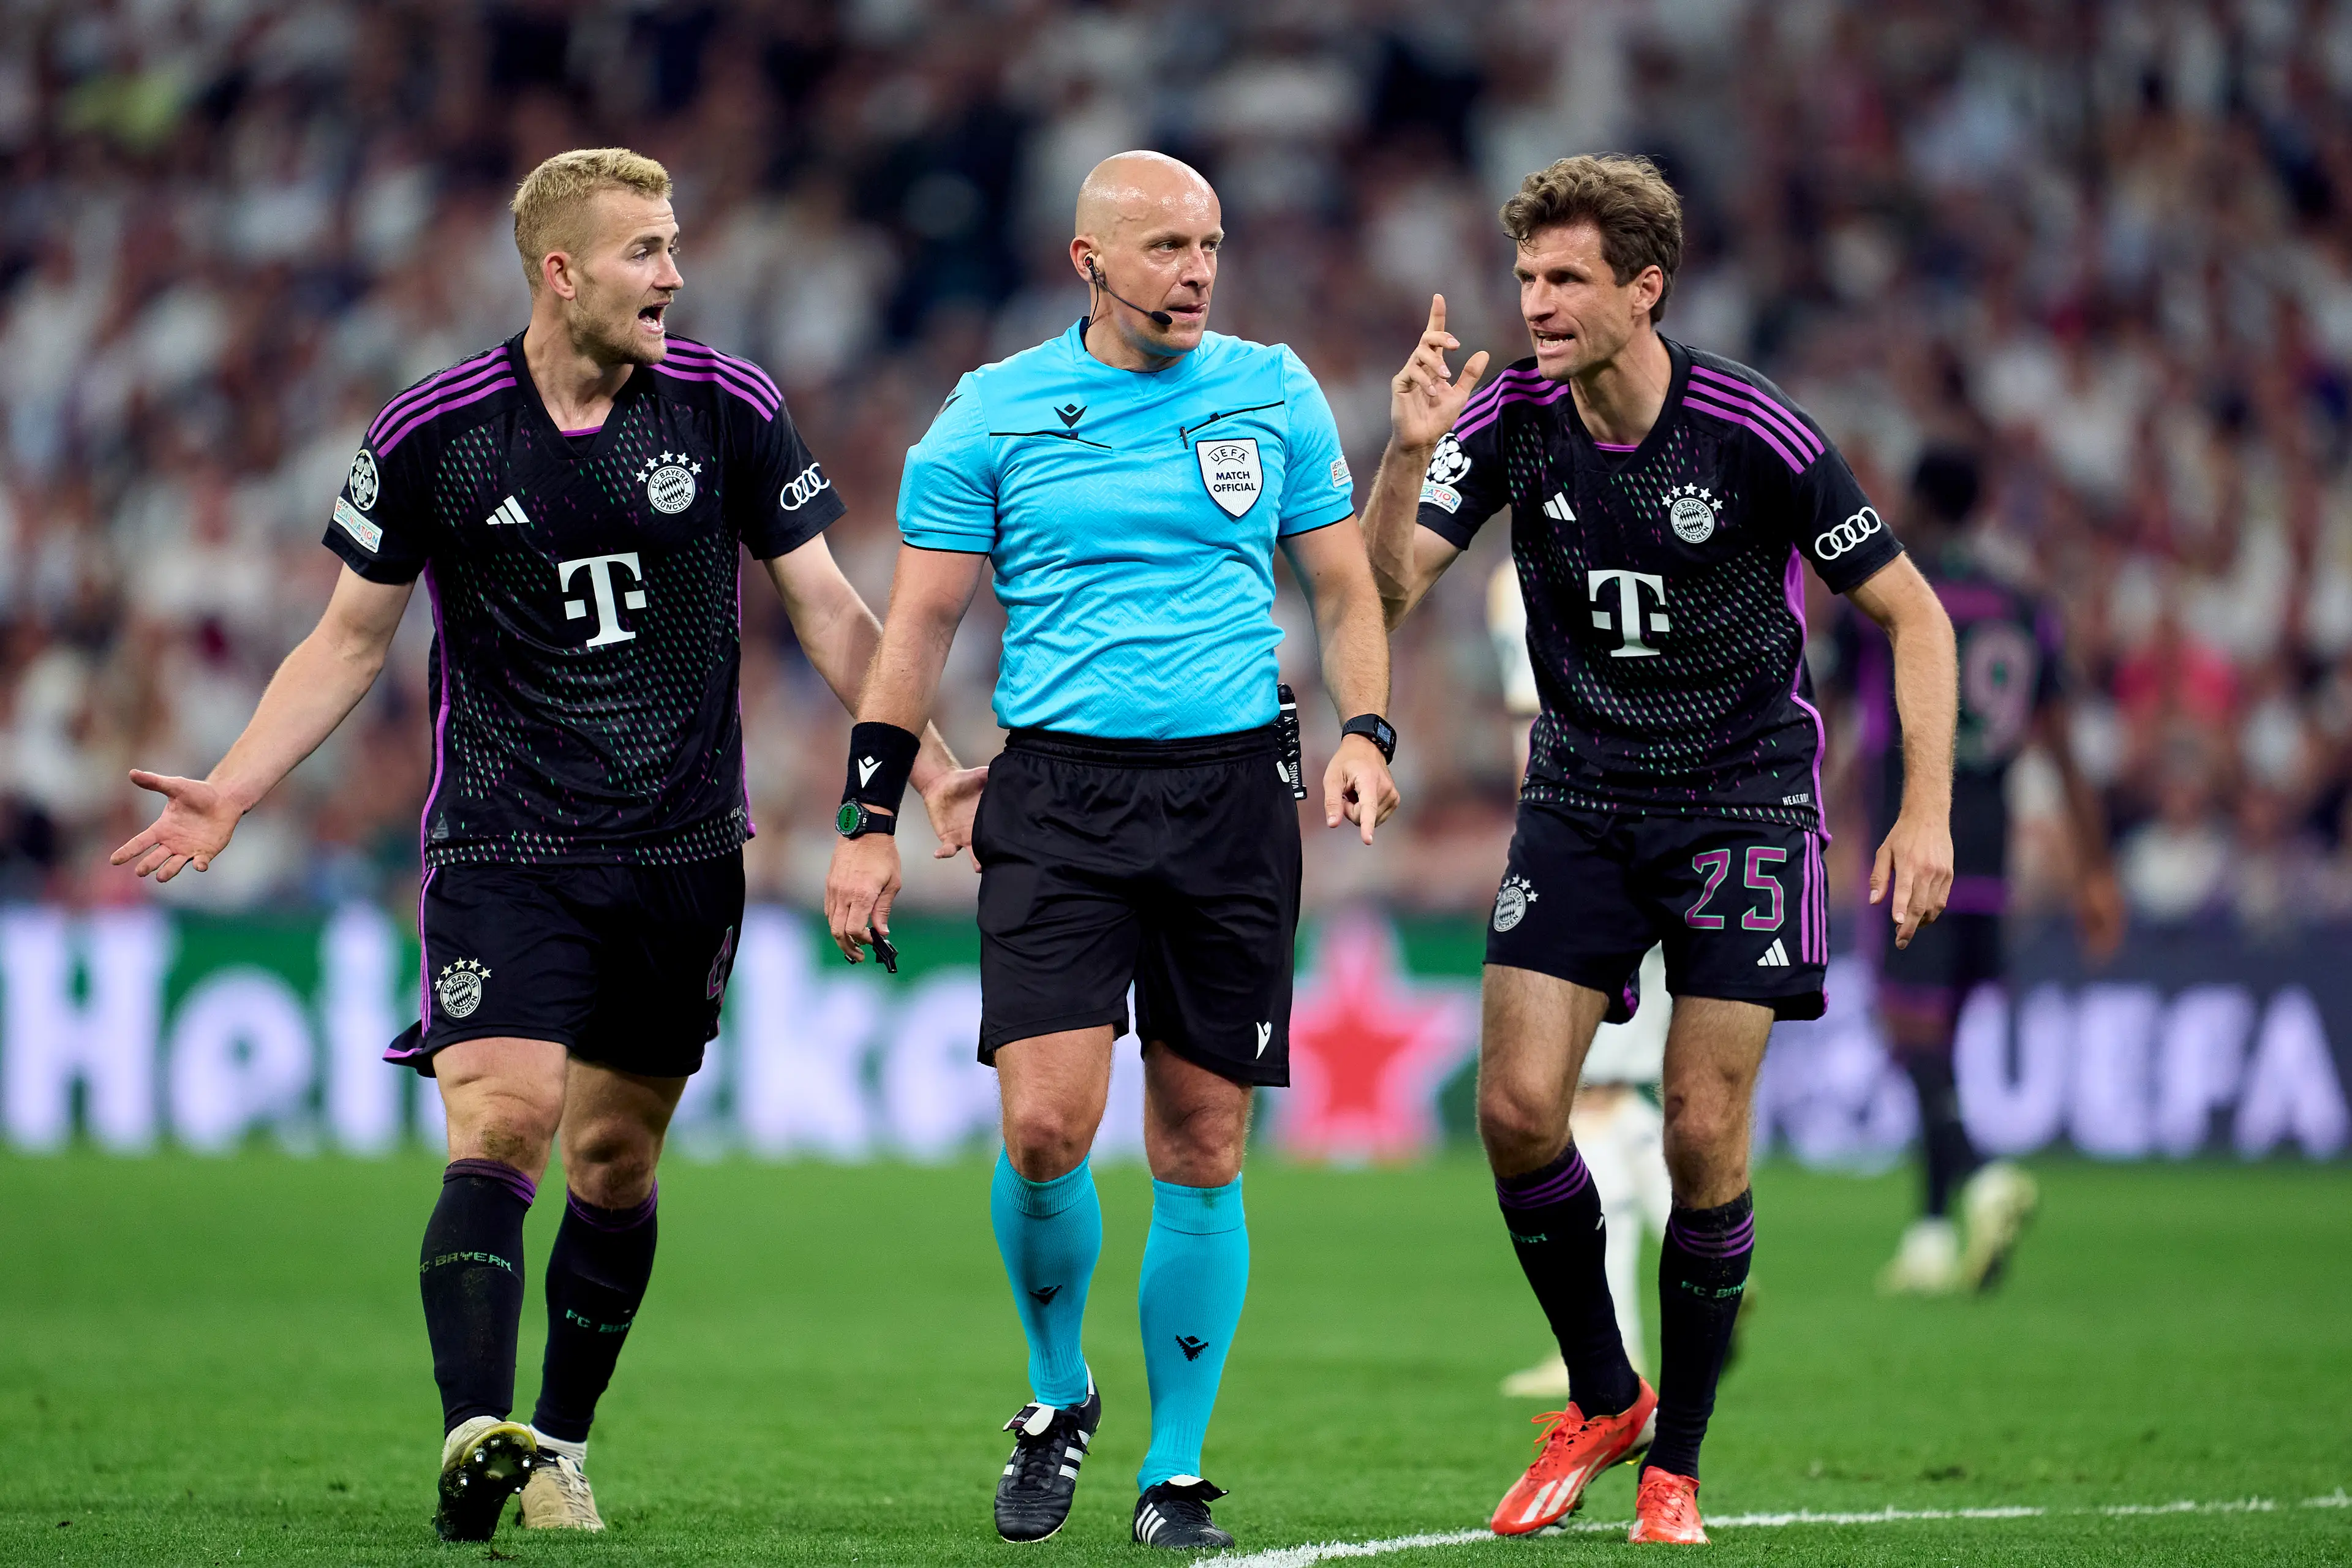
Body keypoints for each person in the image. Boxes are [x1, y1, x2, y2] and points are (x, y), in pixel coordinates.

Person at [110, 148, 979, 1543]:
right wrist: (234, 786)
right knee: (503, 1116)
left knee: (616, 1164)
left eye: (676, 246)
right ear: (561, 270)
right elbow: (348, 637)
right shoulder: (434, 431)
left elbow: (830, 610)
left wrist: (925, 767)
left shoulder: (728, 406)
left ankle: (558, 1442)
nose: (676, 276)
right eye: (646, 251)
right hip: (504, 839)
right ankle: (472, 1432)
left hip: (684, 849)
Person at [1362, 154, 1956, 1545]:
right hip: (1578, 790)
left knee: (1700, 1127)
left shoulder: (1756, 432)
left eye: (1566, 279)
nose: (1537, 303)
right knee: (1515, 1110)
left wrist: (1922, 812)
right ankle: (1605, 1392)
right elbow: (1388, 583)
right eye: (1525, 277)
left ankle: (1676, 1460)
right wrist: (1401, 451)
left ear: (1646, 288)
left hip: (1739, 797)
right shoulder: (1507, 413)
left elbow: (1916, 618)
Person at [823, 151, 1398, 1551]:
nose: (1197, 271)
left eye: (1210, 243)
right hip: (1060, 798)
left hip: (1231, 796)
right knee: (1042, 1125)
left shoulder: (1274, 389)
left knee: (1202, 1140)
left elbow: (1341, 584)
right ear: (1088, 262)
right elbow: (919, 630)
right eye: (1164, 248)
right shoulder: (994, 412)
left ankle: (1177, 1468)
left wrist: (1368, 727)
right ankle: (1056, 1391)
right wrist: (866, 818)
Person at [1830, 447, 2122, 1295]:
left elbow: (1840, 720)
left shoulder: (1883, 595)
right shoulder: (2026, 605)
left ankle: (1986, 1178)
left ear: (1916, 504)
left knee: (1903, 1032)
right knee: (1942, 1040)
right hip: (1990, 853)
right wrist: (2096, 871)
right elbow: (2063, 747)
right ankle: (1928, 1235)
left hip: (1910, 835)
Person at [1490, 568, 1677, 1406]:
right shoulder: (1655, 538)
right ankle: (1702, 1248)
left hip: (1591, 838)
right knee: (1622, 1094)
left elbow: (1534, 719)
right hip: (1700, 822)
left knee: (1588, 1095)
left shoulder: (1522, 572)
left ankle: (1612, 1354)